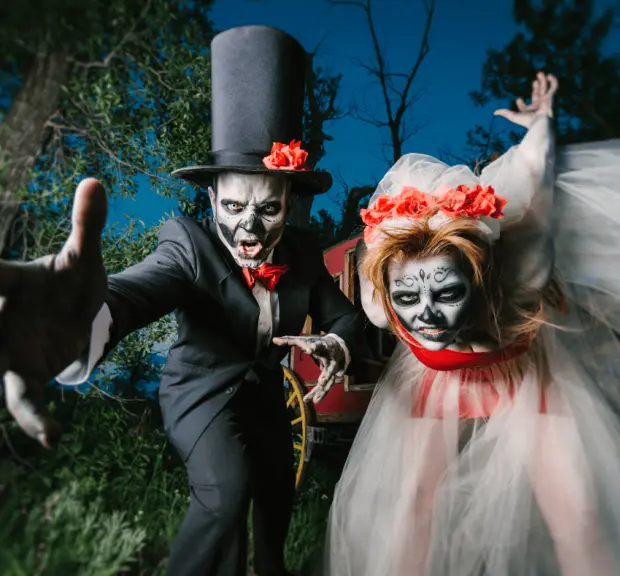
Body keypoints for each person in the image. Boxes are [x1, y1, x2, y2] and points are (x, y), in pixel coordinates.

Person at [0, 26, 363, 576]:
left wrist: (336, 343)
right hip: (199, 393)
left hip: (265, 397)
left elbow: (344, 316)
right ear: (212, 195)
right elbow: (136, 290)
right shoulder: (185, 245)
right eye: (234, 205)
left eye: (267, 210)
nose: (248, 229)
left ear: (289, 201)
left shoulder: (305, 252)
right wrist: (84, 326)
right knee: (226, 492)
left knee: (275, 495)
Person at [321, 72, 620, 575]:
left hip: (524, 373)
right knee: (409, 512)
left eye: (446, 293)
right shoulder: (381, 301)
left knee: (577, 510)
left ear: (481, 279)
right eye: (407, 296)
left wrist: (541, 127)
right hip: (433, 381)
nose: (425, 313)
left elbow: (535, 172)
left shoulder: (521, 275)